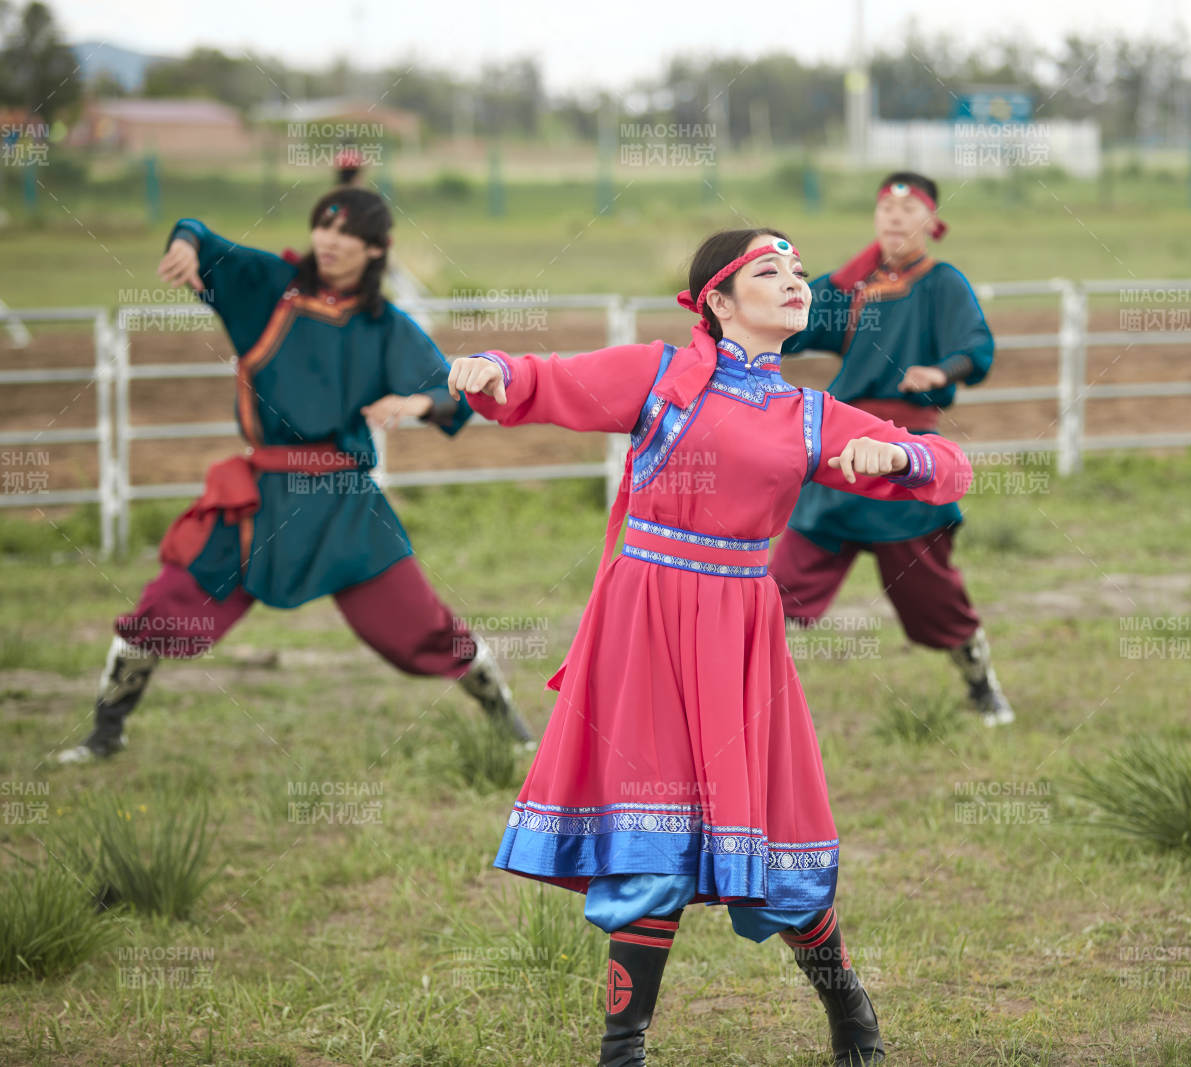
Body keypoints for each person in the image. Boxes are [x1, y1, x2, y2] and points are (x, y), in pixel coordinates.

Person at [450, 228, 975, 1065]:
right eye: (770, 272)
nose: (795, 282)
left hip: (740, 634)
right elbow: (549, 381)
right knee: (648, 831)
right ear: (718, 303)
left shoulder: (809, 414)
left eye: (799, 271)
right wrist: (492, 369)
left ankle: (852, 1017)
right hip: (646, 619)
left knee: (777, 833)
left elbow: (950, 466)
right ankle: (622, 1050)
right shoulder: (660, 375)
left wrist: (904, 452)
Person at [56, 187, 534, 763]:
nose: (328, 242)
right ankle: (104, 734)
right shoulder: (269, 287)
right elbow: (199, 231)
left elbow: (447, 389)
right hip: (259, 501)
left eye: (346, 233)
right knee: (163, 610)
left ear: (377, 248)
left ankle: (512, 727)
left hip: (345, 506)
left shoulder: (385, 327)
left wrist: (421, 406)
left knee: (423, 630)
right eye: (322, 228)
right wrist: (184, 242)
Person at [772, 171, 1013, 725]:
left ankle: (981, 684)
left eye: (907, 211)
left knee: (935, 601)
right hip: (840, 450)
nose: (894, 218)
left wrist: (939, 370)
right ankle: (735, 696)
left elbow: (976, 349)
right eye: (885, 210)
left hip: (908, 459)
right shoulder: (854, 285)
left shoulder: (941, 283)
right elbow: (799, 320)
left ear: (930, 221)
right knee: (778, 590)